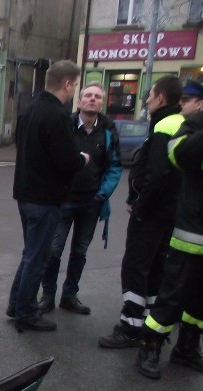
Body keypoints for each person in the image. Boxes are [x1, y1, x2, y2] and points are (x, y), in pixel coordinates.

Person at [135, 50, 203, 379]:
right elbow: (179, 155)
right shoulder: (200, 121)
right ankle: (151, 345)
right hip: (194, 234)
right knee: (172, 297)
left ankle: (188, 346)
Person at [98, 76, 184, 348]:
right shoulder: (181, 123)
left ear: (160, 97)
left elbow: (156, 175)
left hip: (153, 213)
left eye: (149, 96)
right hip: (171, 212)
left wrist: (139, 207)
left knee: (136, 267)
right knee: (157, 268)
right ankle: (149, 323)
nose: (146, 100)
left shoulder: (164, 126)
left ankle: (131, 327)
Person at [9, 60, 89, 332]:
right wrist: (82, 159)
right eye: (75, 85)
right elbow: (66, 161)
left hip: (25, 193)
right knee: (37, 256)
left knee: (30, 253)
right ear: (66, 83)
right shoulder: (56, 115)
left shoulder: (29, 110)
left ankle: (16, 304)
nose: (74, 90)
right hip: (45, 197)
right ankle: (26, 313)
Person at [39, 82, 122, 315]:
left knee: (80, 252)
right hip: (64, 200)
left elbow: (115, 166)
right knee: (54, 250)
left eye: (97, 96)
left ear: (102, 102)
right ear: (79, 101)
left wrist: (102, 194)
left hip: (91, 202)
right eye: (88, 95)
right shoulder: (65, 125)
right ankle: (47, 295)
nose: (92, 99)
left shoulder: (108, 129)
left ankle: (69, 295)